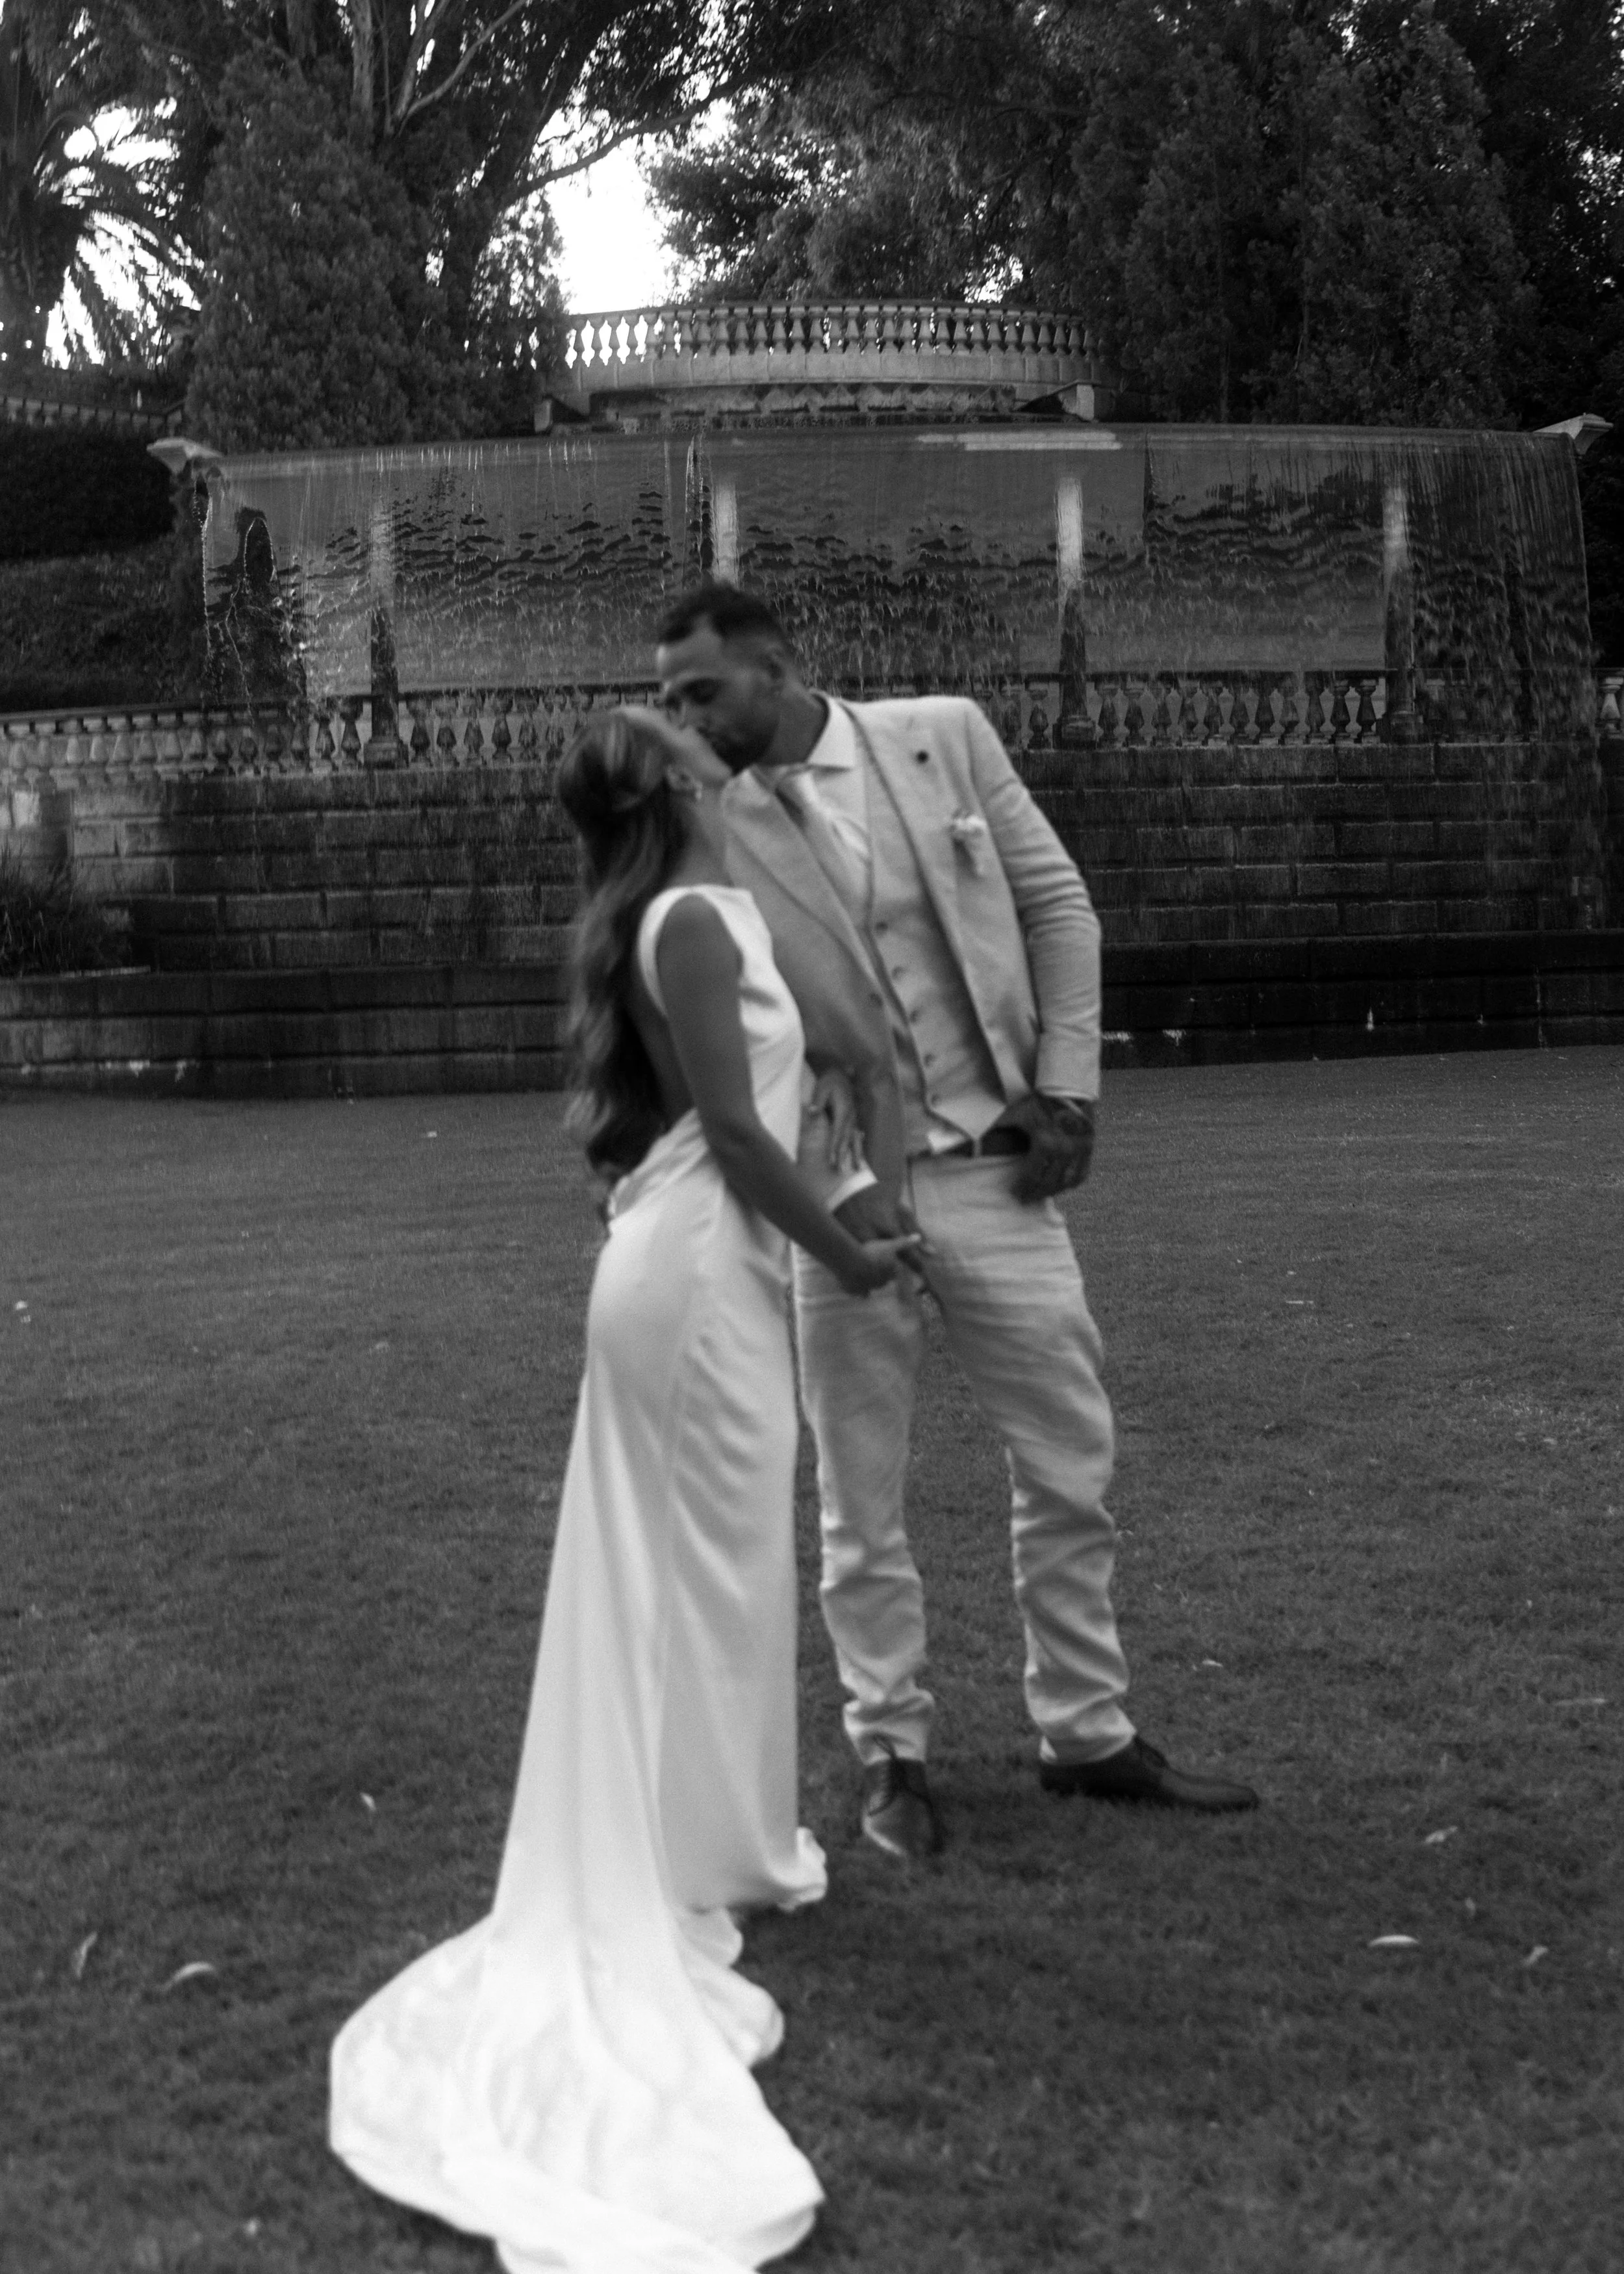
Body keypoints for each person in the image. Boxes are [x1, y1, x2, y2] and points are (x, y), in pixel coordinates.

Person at [329, 707, 916, 2274]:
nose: (720, 756)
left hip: (688, 1261)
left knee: (712, 1566)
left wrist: (846, 1179)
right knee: (707, 1565)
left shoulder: (680, 912)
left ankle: (714, 1845)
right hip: (699, 1271)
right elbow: (731, 1129)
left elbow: (763, 1106)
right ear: (674, 791)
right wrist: (851, 1250)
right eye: (690, 748)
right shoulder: (697, 920)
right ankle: (698, 1859)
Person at [654, 583, 1260, 1863]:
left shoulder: (942, 737)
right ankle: (890, 1753)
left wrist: (1069, 1090)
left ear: (777, 663)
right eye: (668, 698)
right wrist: (825, 1192)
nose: (682, 718)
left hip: (998, 1170)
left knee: (1067, 1466)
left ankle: (1085, 1735)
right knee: (855, 1499)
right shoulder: (701, 823)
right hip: (839, 1198)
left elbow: (1059, 909)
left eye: (700, 690)